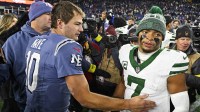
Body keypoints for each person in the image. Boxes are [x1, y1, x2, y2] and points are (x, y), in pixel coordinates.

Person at [24, 1, 156, 112]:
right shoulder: (67, 46)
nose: (81, 29)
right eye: (77, 24)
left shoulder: (36, 40)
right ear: (60, 23)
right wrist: (128, 104)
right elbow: (84, 98)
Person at [116, 6, 189, 112]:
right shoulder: (125, 51)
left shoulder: (171, 60)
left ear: (162, 38)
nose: (150, 38)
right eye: (145, 32)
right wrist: (114, 104)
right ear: (138, 33)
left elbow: (181, 106)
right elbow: (123, 82)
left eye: (157, 34)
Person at [0, 1, 52, 111]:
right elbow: (4, 75)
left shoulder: (57, 39)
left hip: (53, 104)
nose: (52, 17)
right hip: (23, 104)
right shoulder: (13, 42)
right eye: (48, 13)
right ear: (35, 16)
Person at [171, 25, 200, 112]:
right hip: (165, 94)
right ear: (176, 40)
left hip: (186, 95)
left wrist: (185, 77)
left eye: (188, 39)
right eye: (182, 39)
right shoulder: (167, 52)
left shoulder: (196, 57)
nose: (185, 42)